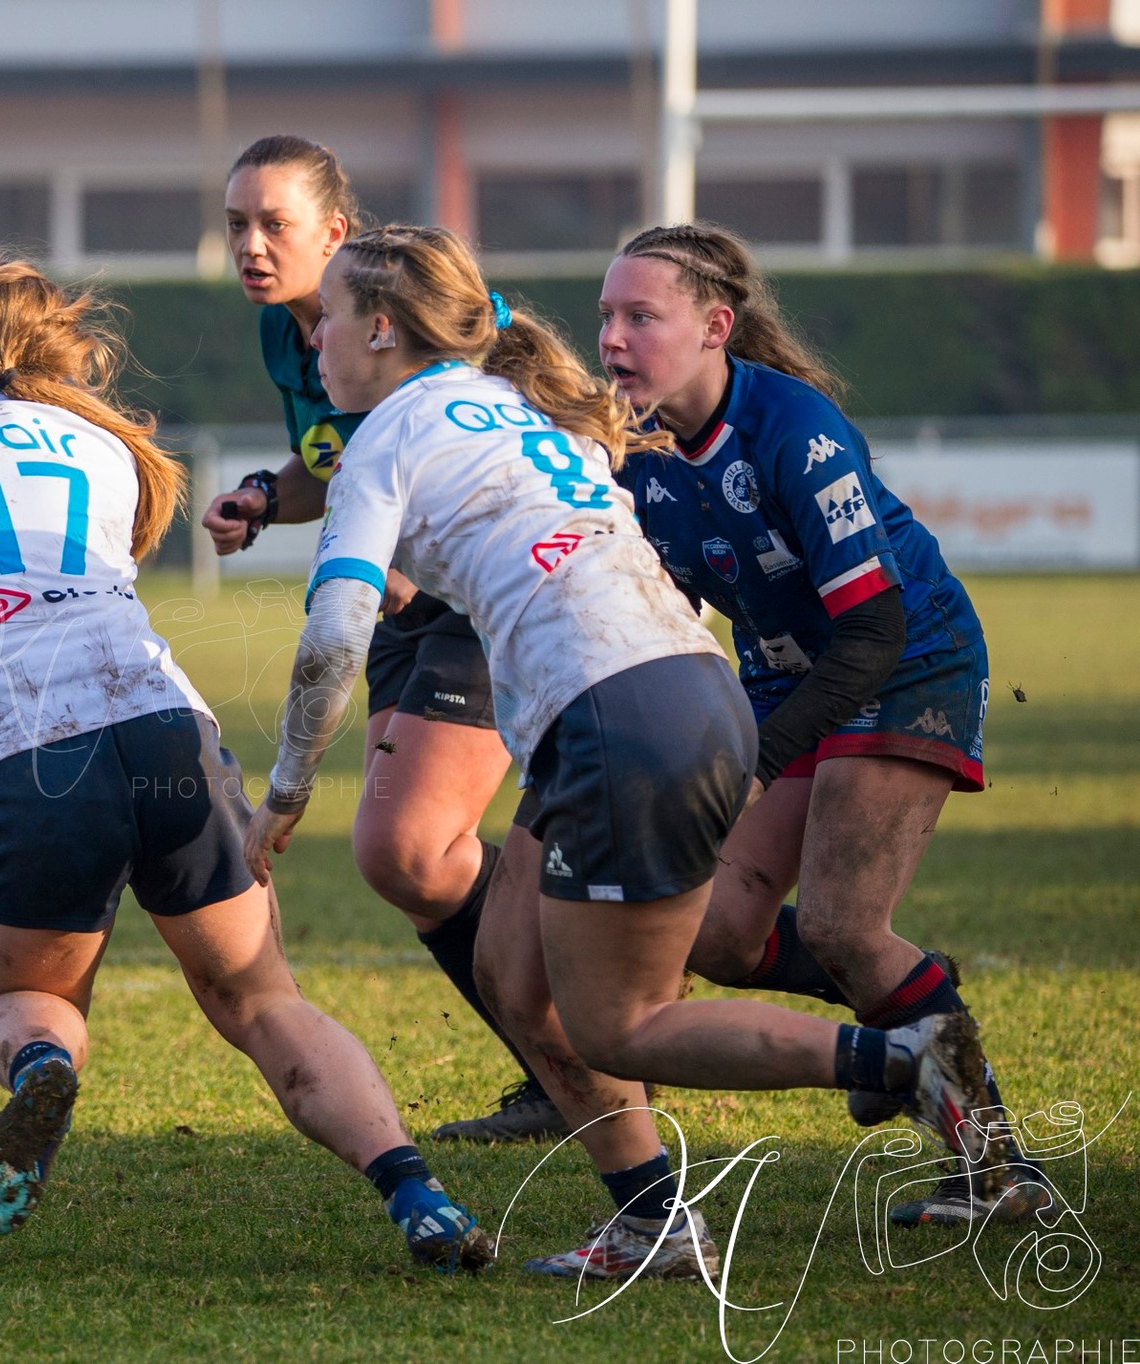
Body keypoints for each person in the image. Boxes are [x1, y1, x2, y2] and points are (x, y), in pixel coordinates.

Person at [0, 254, 495, 1273]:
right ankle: (411, 1187)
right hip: (167, 732)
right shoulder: (105, 449)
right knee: (262, 998)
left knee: (29, 1004)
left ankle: (44, 1069)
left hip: (26, 763)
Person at [244, 224, 1011, 1281]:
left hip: (625, 713)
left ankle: (901, 1052)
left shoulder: (384, 437)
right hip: (671, 691)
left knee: (621, 1020)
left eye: (325, 314)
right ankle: (653, 1218)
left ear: (380, 326)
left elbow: (332, 635)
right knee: (515, 976)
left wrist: (281, 792)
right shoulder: (511, 404)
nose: (313, 336)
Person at [603, 221, 1042, 1227]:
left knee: (844, 922)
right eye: (605, 317)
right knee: (715, 930)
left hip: (906, 660)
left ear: (714, 326)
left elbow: (873, 624)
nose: (613, 338)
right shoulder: (639, 456)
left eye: (640, 315)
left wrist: (754, 761)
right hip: (785, 677)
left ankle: (999, 1168)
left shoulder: (791, 429)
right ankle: (911, 1002)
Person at [203, 134, 558, 1144]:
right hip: (400, 603)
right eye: (235, 224)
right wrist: (268, 496)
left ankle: (581, 1050)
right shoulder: (290, 334)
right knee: (407, 862)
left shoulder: (401, 322)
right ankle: (558, 1061)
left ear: (335, 232)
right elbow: (336, 456)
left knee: (409, 847)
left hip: (474, 605)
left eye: (274, 222)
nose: (251, 245)